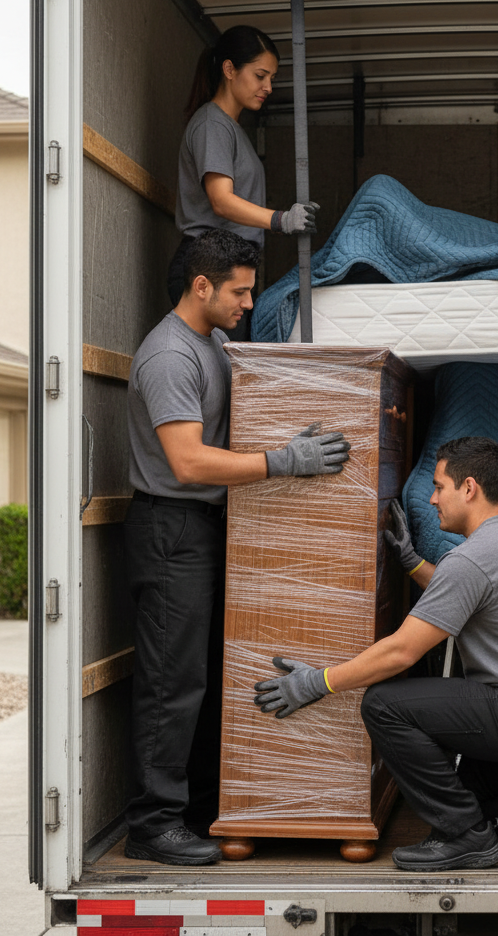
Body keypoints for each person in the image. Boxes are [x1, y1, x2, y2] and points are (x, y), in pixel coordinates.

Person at [252, 436, 498, 871]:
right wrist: (411, 562)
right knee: (467, 799)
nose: (431, 499)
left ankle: (465, 839)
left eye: (439, 486)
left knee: (384, 704)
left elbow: (402, 652)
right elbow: (467, 594)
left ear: (469, 488)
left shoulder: (473, 559)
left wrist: (319, 682)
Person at [124, 228, 351, 866]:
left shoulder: (216, 344)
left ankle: (193, 807)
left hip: (206, 526)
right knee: (172, 681)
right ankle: (152, 823)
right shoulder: (170, 356)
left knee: (201, 676)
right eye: (240, 292)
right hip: (171, 527)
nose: (249, 304)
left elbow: (239, 419)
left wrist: (290, 432)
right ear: (202, 286)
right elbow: (190, 461)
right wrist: (284, 462)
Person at [169, 24, 319, 309]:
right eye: (260, 76)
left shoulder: (232, 129)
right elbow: (221, 201)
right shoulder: (212, 124)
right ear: (229, 70)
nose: (269, 87)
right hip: (210, 266)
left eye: (272, 78)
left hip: (229, 266)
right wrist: (281, 220)